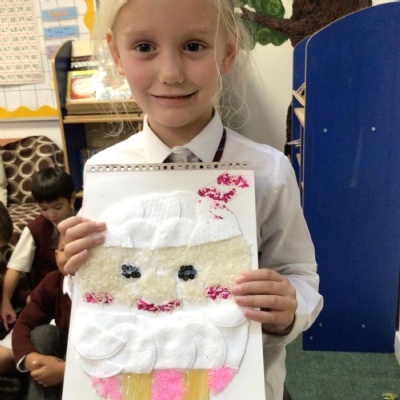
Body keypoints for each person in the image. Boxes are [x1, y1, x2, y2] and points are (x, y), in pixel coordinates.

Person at [59, 0, 324, 399]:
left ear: (227, 53)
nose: (171, 73)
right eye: (144, 47)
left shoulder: (268, 172)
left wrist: (289, 307)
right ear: (116, 54)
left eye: (194, 46)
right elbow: (100, 294)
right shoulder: (105, 173)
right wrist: (74, 267)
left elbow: (300, 274)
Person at [1, 167, 75, 331]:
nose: (51, 215)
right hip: (49, 295)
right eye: (43, 209)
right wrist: (5, 302)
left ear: (71, 198)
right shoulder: (35, 229)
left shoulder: (81, 220)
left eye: (57, 207)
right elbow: (15, 268)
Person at [12, 217, 73, 400]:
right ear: (56, 255)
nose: (72, 256)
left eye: (80, 249)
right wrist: (31, 359)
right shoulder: (53, 282)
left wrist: (66, 371)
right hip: (64, 351)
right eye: (65, 249)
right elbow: (23, 324)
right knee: (43, 334)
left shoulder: (109, 289)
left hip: (100, 360)